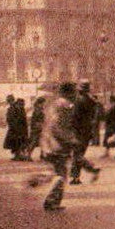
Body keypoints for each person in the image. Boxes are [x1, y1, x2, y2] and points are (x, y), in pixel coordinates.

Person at [32, 83, 80, 211]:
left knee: (57, 172)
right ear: (69, 93)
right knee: (61, 175)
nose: (76, 95)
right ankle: (51, 201)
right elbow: (58, 126)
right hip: (58, 146)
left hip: (49, 145)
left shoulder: (53, 104)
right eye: (74, 92)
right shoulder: (66, 106)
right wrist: (71, 140)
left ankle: (40, 181)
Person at [70, 83, 102, 183]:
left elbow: (74, 117)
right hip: (87, 131)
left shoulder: (79, 101)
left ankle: (90, 169)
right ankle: (76, 177)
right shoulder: (91, 101)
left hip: (78, 130)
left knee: (77, 154)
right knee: (79, 153)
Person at [3, 96, 29, 161]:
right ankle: (18, 155)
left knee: (18, 142)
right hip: (15, 128)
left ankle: (19, 155)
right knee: (16, 142)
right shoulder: (13, 108)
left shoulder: (16, 108)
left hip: (18, 128)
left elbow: (21, 118)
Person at [27, 96, 47, 161]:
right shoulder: (38, 109)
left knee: (42, 142)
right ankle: (28, 155)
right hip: (38, 128)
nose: (44, 104)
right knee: (34, 142)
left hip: (39, 127)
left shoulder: (39, 109)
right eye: (44, 102)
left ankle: (42, 155)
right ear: (41, 103)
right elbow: (37, 119)